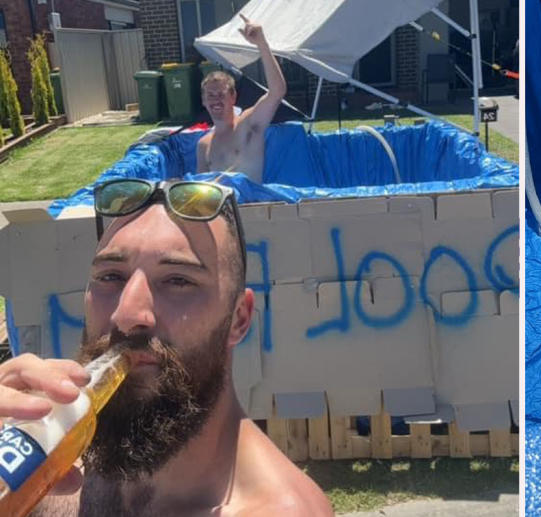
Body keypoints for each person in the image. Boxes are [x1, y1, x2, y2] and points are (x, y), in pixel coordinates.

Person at [0, 179, 333, 515]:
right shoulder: (52, 458)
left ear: (239, 319)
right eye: (110, 276)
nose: (127, 314)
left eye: (178, 280)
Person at [196, 14, 287, 183]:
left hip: (251, 207)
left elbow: (277, 91)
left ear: (233, 97)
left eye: (221, 94)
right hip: (221, 209)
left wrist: (262, 44)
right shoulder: (203, 145)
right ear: (203, 101)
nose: (215, 100)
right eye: (210, 95)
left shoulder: (248, 125)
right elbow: (201, 192)